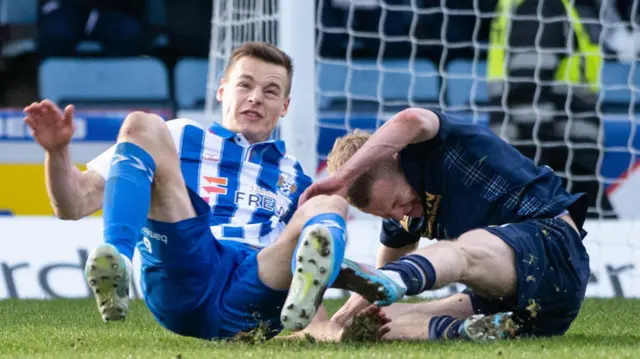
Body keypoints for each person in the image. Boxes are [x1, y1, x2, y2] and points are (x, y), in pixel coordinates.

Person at [22, 41, 404, 340]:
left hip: (255, 286)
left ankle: (304, 302)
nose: (256, 97)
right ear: (222, 91)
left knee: (329, 200)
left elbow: (306, 257)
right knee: (142, 123)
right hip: (186, 266)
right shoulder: (179, 136)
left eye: (271, 91)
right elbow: (73, 205)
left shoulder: (295, 178)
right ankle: (116, 263)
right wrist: (58, 153)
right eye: (245, 85)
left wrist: (321, 326)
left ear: (285, 106)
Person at [299, 107, 591, 340]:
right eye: (388, 214)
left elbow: (411, 118)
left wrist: (341, 178)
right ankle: (464, 332)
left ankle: (401, 280)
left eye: (400, 202)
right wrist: (336, 323)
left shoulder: (436, 145)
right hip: (523, 311)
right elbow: (378, 283)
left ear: (397, 159)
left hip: (552, 251)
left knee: (460, 251)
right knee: (378, 321)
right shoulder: (402, 214)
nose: (404, 214)